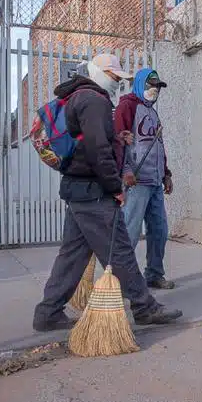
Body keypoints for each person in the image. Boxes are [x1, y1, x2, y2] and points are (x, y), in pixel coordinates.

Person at [33, 54, 181, 332]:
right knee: (120, 250)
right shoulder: (94, 100)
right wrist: (115, 187)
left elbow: (91, 139)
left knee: (73, 254)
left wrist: (117, 138)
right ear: (99, 73)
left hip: (78, 188)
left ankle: (48, 312)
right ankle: (144, 307)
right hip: (92, 190)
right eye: (114, 77)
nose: (117, 83)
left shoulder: (79, 96)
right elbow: (97, 150)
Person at [115, 66, 175, 290]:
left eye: (158, 87)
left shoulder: (152, 111)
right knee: (129, 232)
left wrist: (166, 173)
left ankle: (154, 274)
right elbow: (119, 141)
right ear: (141, 84)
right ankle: (121, 281)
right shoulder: (127, 106)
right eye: (151, 85)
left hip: (155, 180)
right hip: (136, 181)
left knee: (159, 230)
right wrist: (126, 171)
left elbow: (158, 145)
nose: (155, 90)